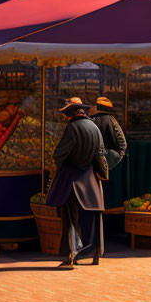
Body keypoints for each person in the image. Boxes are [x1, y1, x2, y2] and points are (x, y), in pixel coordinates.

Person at [45, 97, 109, 269]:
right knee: (92, 218)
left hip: (72, 180)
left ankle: (70, 256)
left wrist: (58, 167)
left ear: (70, 113)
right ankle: (94, 253)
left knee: (70, 219)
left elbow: (59, 154)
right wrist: (103, 174)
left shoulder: (72, 128)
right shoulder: (94, 127)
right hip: (91, 179)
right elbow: (100, 154)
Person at [90, 97, 127, 208]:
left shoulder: (90, 122)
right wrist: (117, 158)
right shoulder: (112, 120)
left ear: (97, 108)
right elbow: (122, 143)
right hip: (110, 164)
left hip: (92, 165)